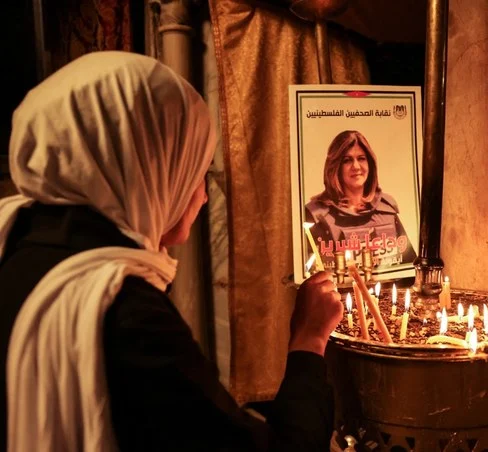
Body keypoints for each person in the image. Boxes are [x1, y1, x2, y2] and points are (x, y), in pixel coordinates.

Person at [0, 51, 342, 451]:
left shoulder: (16, 239)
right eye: (194, 169)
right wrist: (309, 340)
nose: (201, 195)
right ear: (147, 169)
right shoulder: (122, 311)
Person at [305, 130, 417, 271]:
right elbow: (308, 275)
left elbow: (408, 269)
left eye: (361, 158)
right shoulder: (315, 215)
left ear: (370, 163)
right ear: (335, 167)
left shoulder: (387, 208)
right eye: (347, 160)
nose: (356, 167)